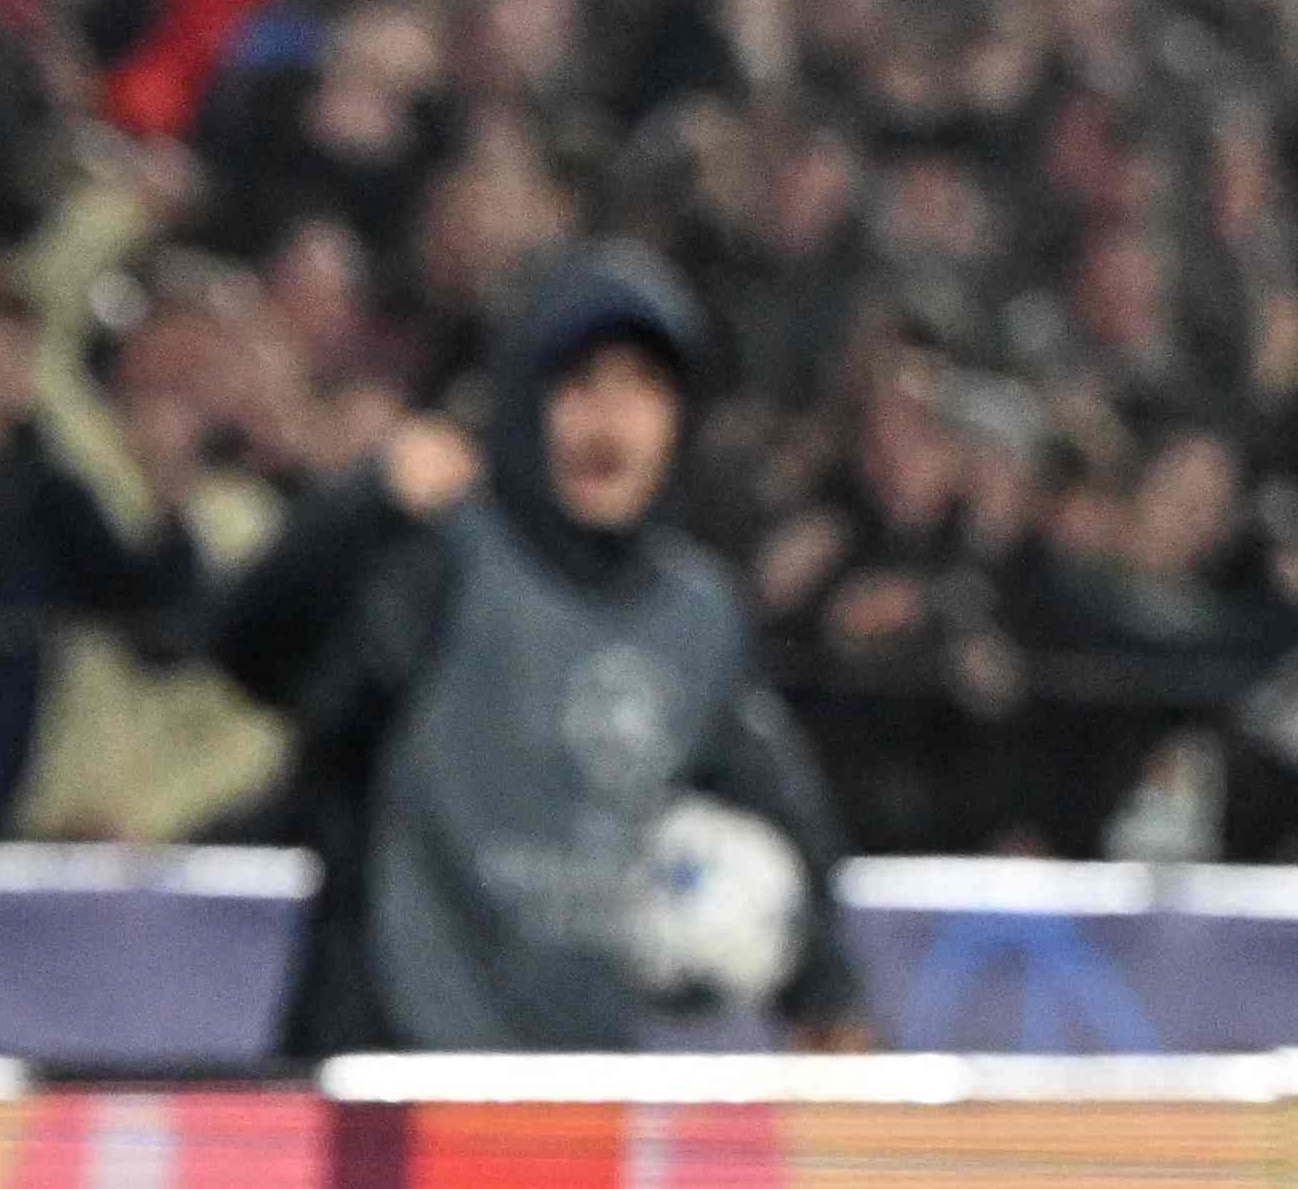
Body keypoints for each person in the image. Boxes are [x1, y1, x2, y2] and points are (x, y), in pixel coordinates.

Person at [210, 247, 875, 1055]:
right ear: (526, 398)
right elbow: (247, 651)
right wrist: (363, 505)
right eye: (581, 384)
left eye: (643, 387)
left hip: (579, 1083)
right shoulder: (442, 563)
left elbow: (780, 804)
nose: (610, 419)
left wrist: (827, 987)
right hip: (397, 1063)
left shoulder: (696, 612)